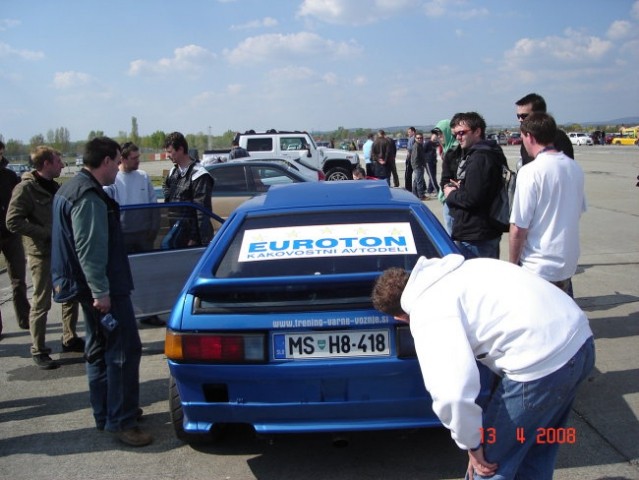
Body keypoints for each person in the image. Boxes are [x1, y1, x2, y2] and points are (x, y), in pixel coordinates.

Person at [371, 254, 594, 480]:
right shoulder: (470, 267)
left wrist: (474, 445)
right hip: (580, 340)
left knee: (487, 467)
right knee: (536, 451)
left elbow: (453, 394)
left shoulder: (428, 310)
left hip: (539, 365)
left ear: (400, 317)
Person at [51, 136, 153, 447]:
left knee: (98, 351)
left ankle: (107, 414)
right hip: (103, 289)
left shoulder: (70, 188)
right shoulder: (89, 196)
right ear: (107, 161)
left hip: (88, 288)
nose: (119, 168)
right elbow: (90, 250)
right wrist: (101, 292)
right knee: (123, 351)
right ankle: (122, 421)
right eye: (116, 162)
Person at [6, 146, 82, 369]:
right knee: (41, 301)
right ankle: (38, 349)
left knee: (70, 295)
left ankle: (69, 338)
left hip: (62, 250)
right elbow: (12, 221)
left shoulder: (53, 187)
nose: (62, 165)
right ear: (46, 163)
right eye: (58, 161)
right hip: (42, 253)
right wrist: (45, 234)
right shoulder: (25, 189)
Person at [509, 113, 586, 298]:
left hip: (539, 266)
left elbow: (519, 228)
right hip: (567, 264)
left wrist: (512, 266)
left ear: (530, 136)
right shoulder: (575, 168)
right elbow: (577, 211)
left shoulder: (530, 172)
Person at [103, 142, 163, 326]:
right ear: (123, 158)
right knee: (123, 278)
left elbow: (153, 205)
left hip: (144, 235)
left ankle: (149, 312)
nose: (138, 161)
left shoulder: (143, 177)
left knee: (147, 276)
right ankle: (126, 314)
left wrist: (153, 230)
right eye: (134, 158)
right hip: (123, 236)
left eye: (139, 157)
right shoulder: (114, 180)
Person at [443, 112, 507, 259]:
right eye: (455, 134)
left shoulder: (480, 158)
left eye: (462, 133)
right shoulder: (485, 152)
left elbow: (472, 198)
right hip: (482, 231)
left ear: (477, 131)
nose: (458, 137)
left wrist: (451, 193)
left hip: (477, 235)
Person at [0, 140, 31, 338]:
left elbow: (19, 202)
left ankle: (25, 318)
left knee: (19, 280)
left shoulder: (10, 176)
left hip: (11, 234)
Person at [162, 132, 214, 248]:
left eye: (170, 152)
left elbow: (201, 212)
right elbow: (168, 204)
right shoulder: (172, 173)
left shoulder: (199, 174)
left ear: (180, 149)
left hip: (193, 240)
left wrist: (194, 238)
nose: (167, 155)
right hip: (177, 234)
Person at [515, 93, 573, 168]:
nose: (520, 120)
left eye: (524, 116)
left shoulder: (559, 138)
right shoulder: (527, 138)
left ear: (539, 115)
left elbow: (565, 169)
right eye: (518, 116)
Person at [435, 119, 462, 236]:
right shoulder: (447, 149)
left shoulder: (455, 150)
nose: (438, 137)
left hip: (452, 197)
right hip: (448, 196)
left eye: (440, 133)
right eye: (437, 134)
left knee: (452, 235)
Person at [410, 132, 427, 199]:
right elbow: (415, 158)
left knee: (416, 180)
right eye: (418, 138)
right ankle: (421, 195)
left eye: (421, 138)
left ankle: (414, 194)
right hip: (418, 166)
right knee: (419, 181)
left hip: (419, 165)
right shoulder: (416, 146)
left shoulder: (420, 145)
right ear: (415, 139)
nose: (420, 139)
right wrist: (417, 166)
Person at [423, 131, 439, 197]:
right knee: (432, 178)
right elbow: (422, 152)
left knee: (433, 177)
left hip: (434, 162)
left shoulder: (435, 143)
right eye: (435, 136)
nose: (436, 137)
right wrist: (424, 161)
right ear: (432, 136)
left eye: (437, 136)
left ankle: (430, 190)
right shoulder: (427, 143)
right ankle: (438, 190)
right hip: (428, 162)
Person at [404, 127, 416, 192]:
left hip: (410, 158)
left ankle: (408, 188)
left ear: (413, 132)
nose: (408, 133)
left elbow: (410, 150)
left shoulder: (412, 139)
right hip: (413, 158)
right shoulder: (413, 138)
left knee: (408, 174)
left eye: (409, 132)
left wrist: (408, 159)